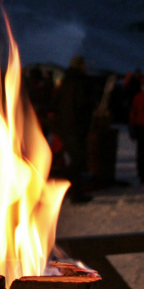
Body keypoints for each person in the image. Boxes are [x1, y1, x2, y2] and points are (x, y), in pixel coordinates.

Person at [52, 55, 93, 203]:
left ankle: (75, 193)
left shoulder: (65, 82)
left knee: (77, 160)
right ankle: (60, 184)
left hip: (65, 127)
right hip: (75, 127)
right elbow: (82, 104)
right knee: (79, 160)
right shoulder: (80, 82)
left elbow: (55, 103)